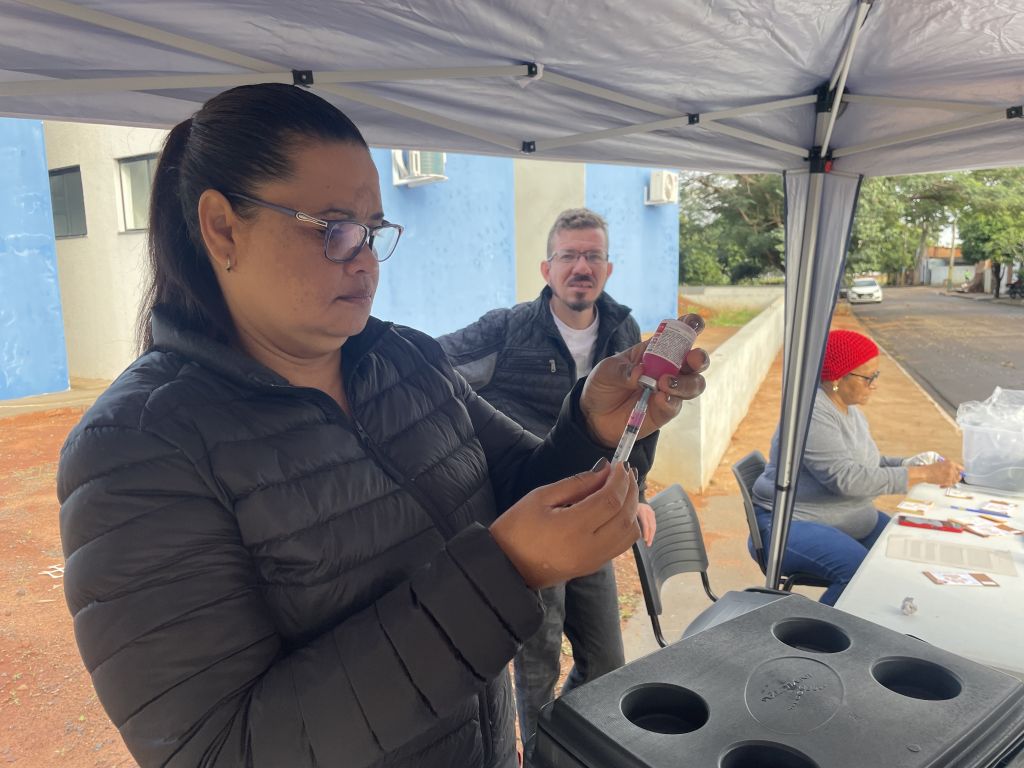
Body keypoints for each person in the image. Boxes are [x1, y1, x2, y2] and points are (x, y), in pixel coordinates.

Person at [55, 83, 710, 768]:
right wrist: (504, 572)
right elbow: (218, 749)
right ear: (223, 227)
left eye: (372, 230)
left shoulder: (404, 359)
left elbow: (517, 484)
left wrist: (590, 425)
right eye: (333, 228)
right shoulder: (137, 451)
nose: (365, 259)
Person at [437, 208, 671, 745]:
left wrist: (635, 491)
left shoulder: (624, 331)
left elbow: (641, 421)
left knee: (606, 660)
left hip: (592, 516)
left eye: (592, 256)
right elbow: (427, 371)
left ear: (608, 269)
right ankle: (542, 751)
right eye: (568, 255)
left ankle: (563, 744)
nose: (580, 267)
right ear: (547, 269)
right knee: (536, 667)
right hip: (531, 524)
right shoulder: (507, 329)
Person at [751, 329, 961, 605]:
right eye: (868, 377)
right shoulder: (812, 415)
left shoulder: (850, 412)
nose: (875, 385)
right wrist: (922, 474)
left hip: (845, 519)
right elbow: (847, 479)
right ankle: (816, 630)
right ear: (838, 378)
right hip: (789, 526)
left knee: (906, 554)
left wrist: (908, 464)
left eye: (876, 375)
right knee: (860, 573)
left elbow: (866, 464)